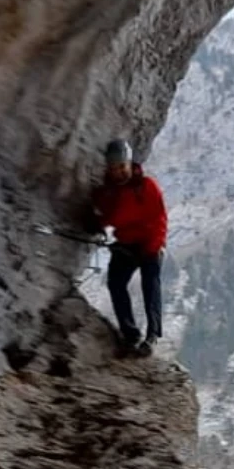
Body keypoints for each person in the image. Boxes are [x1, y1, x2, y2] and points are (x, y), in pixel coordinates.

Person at [90, 138, 168, 356]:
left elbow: (159, 218)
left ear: (129, 163)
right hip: (126, 243)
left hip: (149, 243)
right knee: (115, 283)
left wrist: (152, 248)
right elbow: (105, 217)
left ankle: (152, 337)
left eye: (122, 166)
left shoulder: (147, 186)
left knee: (150, 284)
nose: (119, 172)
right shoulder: (108, 192)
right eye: (114, 168)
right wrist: (96, 226)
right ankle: (130, 334)